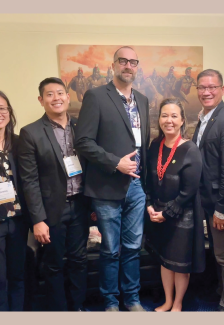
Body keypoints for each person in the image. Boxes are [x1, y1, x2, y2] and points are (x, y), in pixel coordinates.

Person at [75, 46, 150, 312]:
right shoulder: (96, 97)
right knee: (110, 249)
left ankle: (132, 299)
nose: (128, 66)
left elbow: (142, 144)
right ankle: (110, 303)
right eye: (123, 61)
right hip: (107, 186)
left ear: (136, 66)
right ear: (113, 65)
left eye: (133, 62)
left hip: (137, 186)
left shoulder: (142, 99)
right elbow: (83, 141)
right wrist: (114, 162)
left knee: (132, 247)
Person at [18, 77, 90, 311]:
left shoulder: (82, 127)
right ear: (41, 100)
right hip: (51, 211)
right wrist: (38, 220)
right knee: (54, 264)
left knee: (79, 261)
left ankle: (78, 307)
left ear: (68, 97)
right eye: (49, 94)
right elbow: (29, 180)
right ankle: (59, 312)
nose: (56, 98)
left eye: (60, 93)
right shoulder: (31, 133)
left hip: (80, 205)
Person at [145, 98, 205, 312]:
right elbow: (149, 182)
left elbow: (188, 192)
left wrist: (167, 213)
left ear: (182, 121)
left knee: (179, 264)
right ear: (158, 119)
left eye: (173, 116)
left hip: (182, 216)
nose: (168, 120)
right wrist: (150, 205)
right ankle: (168, 300)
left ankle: (178, 304)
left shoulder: (190, 150)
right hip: (158, 214)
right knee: (164, 260)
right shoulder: (154, 145)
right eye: (164, 115)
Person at [192, 69, 224, 311]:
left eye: (212, 87)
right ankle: (221, 292)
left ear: (222, 90)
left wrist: (222, 210)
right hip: (207, 200)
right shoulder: (204, 117)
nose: (207, 91)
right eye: (202, 87)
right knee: (217, 253)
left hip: (222, 203)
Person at [0, 91, 29, 311]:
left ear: (9, 112)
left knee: (18, 275)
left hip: (18, 220)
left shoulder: (19, 143)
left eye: (2, 108)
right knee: (0, 279)